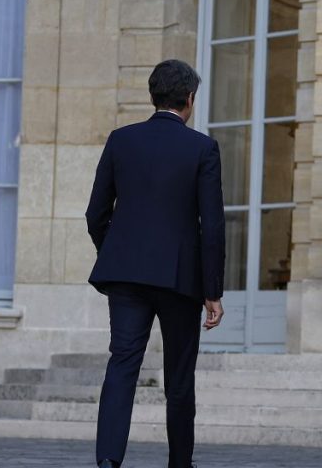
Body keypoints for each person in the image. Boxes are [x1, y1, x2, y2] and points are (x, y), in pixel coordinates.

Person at [85, 59, 225, 468]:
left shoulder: (121, 140)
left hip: (126, 276)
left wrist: (116, 252)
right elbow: (212, 227)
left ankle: (108, 461)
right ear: (190, 99)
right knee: (179, 376)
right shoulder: (202, 148)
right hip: (179, 279)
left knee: (122, 364)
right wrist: (212, 291)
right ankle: (180, 463)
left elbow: (95, 214)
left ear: (152, 96)